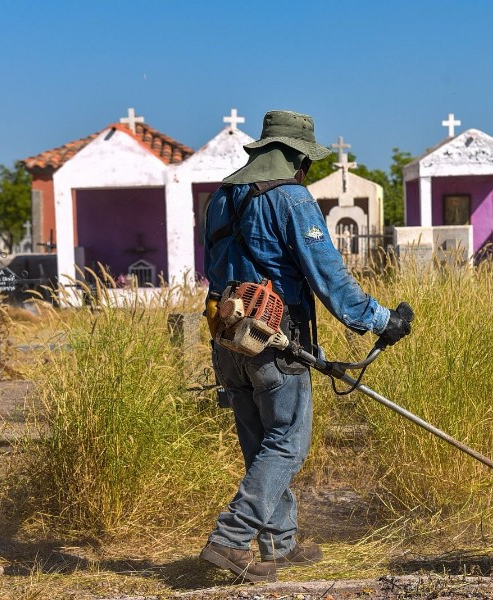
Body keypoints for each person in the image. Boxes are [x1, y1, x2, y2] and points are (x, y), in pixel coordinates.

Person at [200, 110, 412, 583]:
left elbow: (215, 270)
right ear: (297, 159)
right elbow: (328, 276)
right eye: (306, 163)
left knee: (261, 443)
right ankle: (231, 539)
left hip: (228, 338)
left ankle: (278, 543)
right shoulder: (291, 198)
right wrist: (381, 320)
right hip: (276, 340)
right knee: (288, 444)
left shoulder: (220, 198)